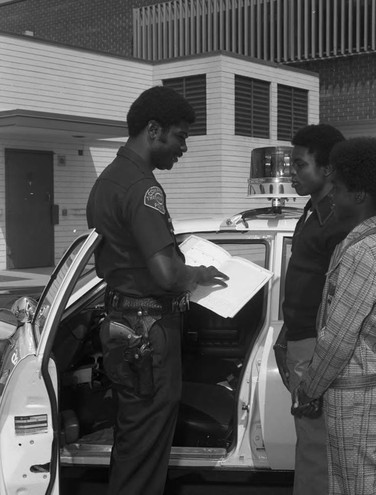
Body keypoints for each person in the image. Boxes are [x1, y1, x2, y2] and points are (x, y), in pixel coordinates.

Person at [86, 85, 228, 495]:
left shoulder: (107, 181)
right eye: (180, 136)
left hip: (122, 324)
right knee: (147, 444)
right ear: (153, 130)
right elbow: (166, 274)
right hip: (148, 329)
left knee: (133, 439)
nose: (183, 147)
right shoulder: (142, 188)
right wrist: (199, 273)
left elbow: (128, 255)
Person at [292, 136, 376, 495]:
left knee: (355, 486)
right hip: (354, 391)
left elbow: (338, 338)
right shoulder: (361, 243)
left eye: (337, 189)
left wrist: (309, 388)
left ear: (358, 195)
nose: (333, 196)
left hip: (354, 395)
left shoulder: (362, 252)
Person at [273, 123, 349, 495]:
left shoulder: (338, 220)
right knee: (311, 444)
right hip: (303, 340)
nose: (292, 174)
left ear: (328, 169)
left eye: (300, 165)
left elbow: (342, 300)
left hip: (319, 347)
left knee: (318, 449)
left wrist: (316, 359)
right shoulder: (314, 209)